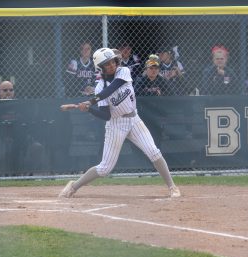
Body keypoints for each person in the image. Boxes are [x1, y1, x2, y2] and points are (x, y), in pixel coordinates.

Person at [58, 47, 181, 198]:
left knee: (154, 152)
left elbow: (112, 89)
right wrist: (89, 109)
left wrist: (90, 102)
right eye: (107, 64)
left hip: (134, 120)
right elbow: (106, 115)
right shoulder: (99, 88)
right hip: (116, 125)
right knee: (104, 169)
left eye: (112, 62)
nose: (111, 65)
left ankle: (172, 187)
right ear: (100, 68)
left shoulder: (123, 72)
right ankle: (74, 186)